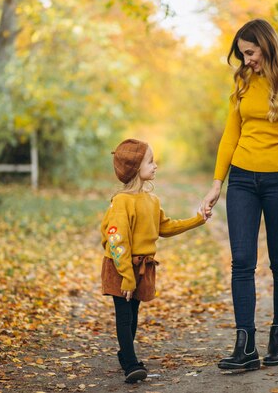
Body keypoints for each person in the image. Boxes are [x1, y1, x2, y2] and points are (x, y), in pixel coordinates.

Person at [201, 19, 278, 371]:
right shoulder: (242, 81)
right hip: (241, 181)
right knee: (241, 261)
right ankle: (245, 345)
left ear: (266, 45)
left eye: (249, 52)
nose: (247, 60)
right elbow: (229, 135)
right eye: (242, 54)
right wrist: (216, 184)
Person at [101, 138, 206, 383]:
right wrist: (126, 275)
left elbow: (165, 226)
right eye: (150, 161)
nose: (156, 165)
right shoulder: (122, 202)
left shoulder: (151, 200)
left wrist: (197, 219)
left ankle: (125, 353)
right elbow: (116, 240)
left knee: (134, 314)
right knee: (124, 315)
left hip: (141, 267)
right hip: (120, 266)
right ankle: (130, 362)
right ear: (136, 168)